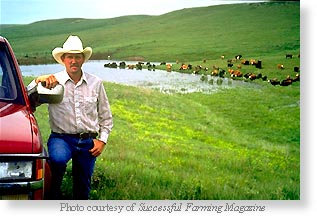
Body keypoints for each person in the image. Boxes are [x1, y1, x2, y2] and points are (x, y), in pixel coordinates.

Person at [35, 35, 113, 199]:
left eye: (77, 57)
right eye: (70, 57)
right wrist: (38, 81)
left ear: (83, 59)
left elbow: (106, 116)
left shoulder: (96, 83)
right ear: (63, 59)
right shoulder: (52, 82)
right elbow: (29, 97)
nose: (74, 61)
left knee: (83, 187)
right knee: (57, 161)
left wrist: (102, 140)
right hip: (61, 139)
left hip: (88, 141)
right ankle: (52, 199)